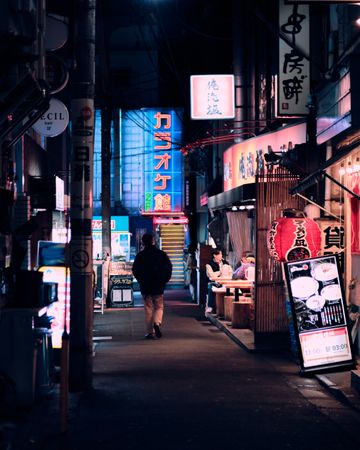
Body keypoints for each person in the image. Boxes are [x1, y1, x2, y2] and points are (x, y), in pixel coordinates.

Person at [132, 233, 172, 339]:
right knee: (159, 307)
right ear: (153, 241)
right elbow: (168, 268)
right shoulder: (161, 254)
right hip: (158, 285)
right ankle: (157, 323)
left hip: (145, 286)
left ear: (143, 242)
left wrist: (141, 280)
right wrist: (164, 280)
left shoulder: (140, 255)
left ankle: (150, 332)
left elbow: (135, 270)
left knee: (148, 308)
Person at [205, 249, 233, 314]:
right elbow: (211, 275)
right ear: (215, 255)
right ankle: (210, 306)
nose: (221, 256)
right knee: (211, 286)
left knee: (233, 288)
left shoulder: (225, 263)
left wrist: (224, 276)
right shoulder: (209, 264)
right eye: (219, 254)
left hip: (226, 282)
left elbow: (230, 272)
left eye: (221, 254)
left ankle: (227, 310)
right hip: (215, 282)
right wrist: (220, 272)